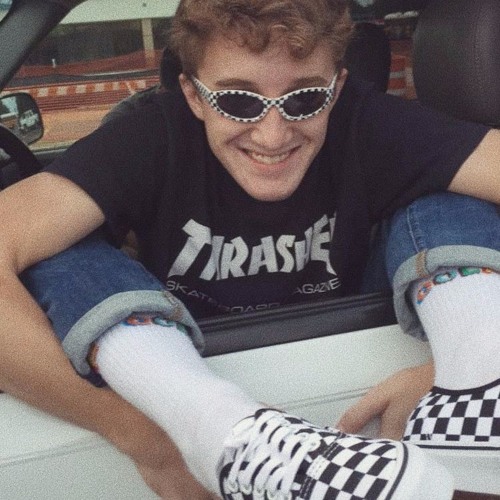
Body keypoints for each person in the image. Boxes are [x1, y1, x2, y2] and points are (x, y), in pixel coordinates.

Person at [0, 0, 498, 498]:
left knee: (450, 201)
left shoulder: (367, 121)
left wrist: (443, 372)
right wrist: (146, 437)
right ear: (193, 96)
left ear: (336, 89)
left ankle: (478, 376)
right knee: (61, 249)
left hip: (355, 360)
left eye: (305, 99)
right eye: (238, 100)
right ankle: (216, 428)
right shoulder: (152, 135)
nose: (272, 134)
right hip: (177, 368)